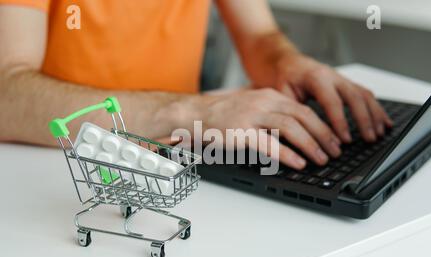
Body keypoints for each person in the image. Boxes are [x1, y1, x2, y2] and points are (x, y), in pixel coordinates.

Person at [0, 0, 392, 170]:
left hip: (180, 161)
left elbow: (259, 37)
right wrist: (191, 112)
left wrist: (287, 62)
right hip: (61, 164)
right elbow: (8, 95)